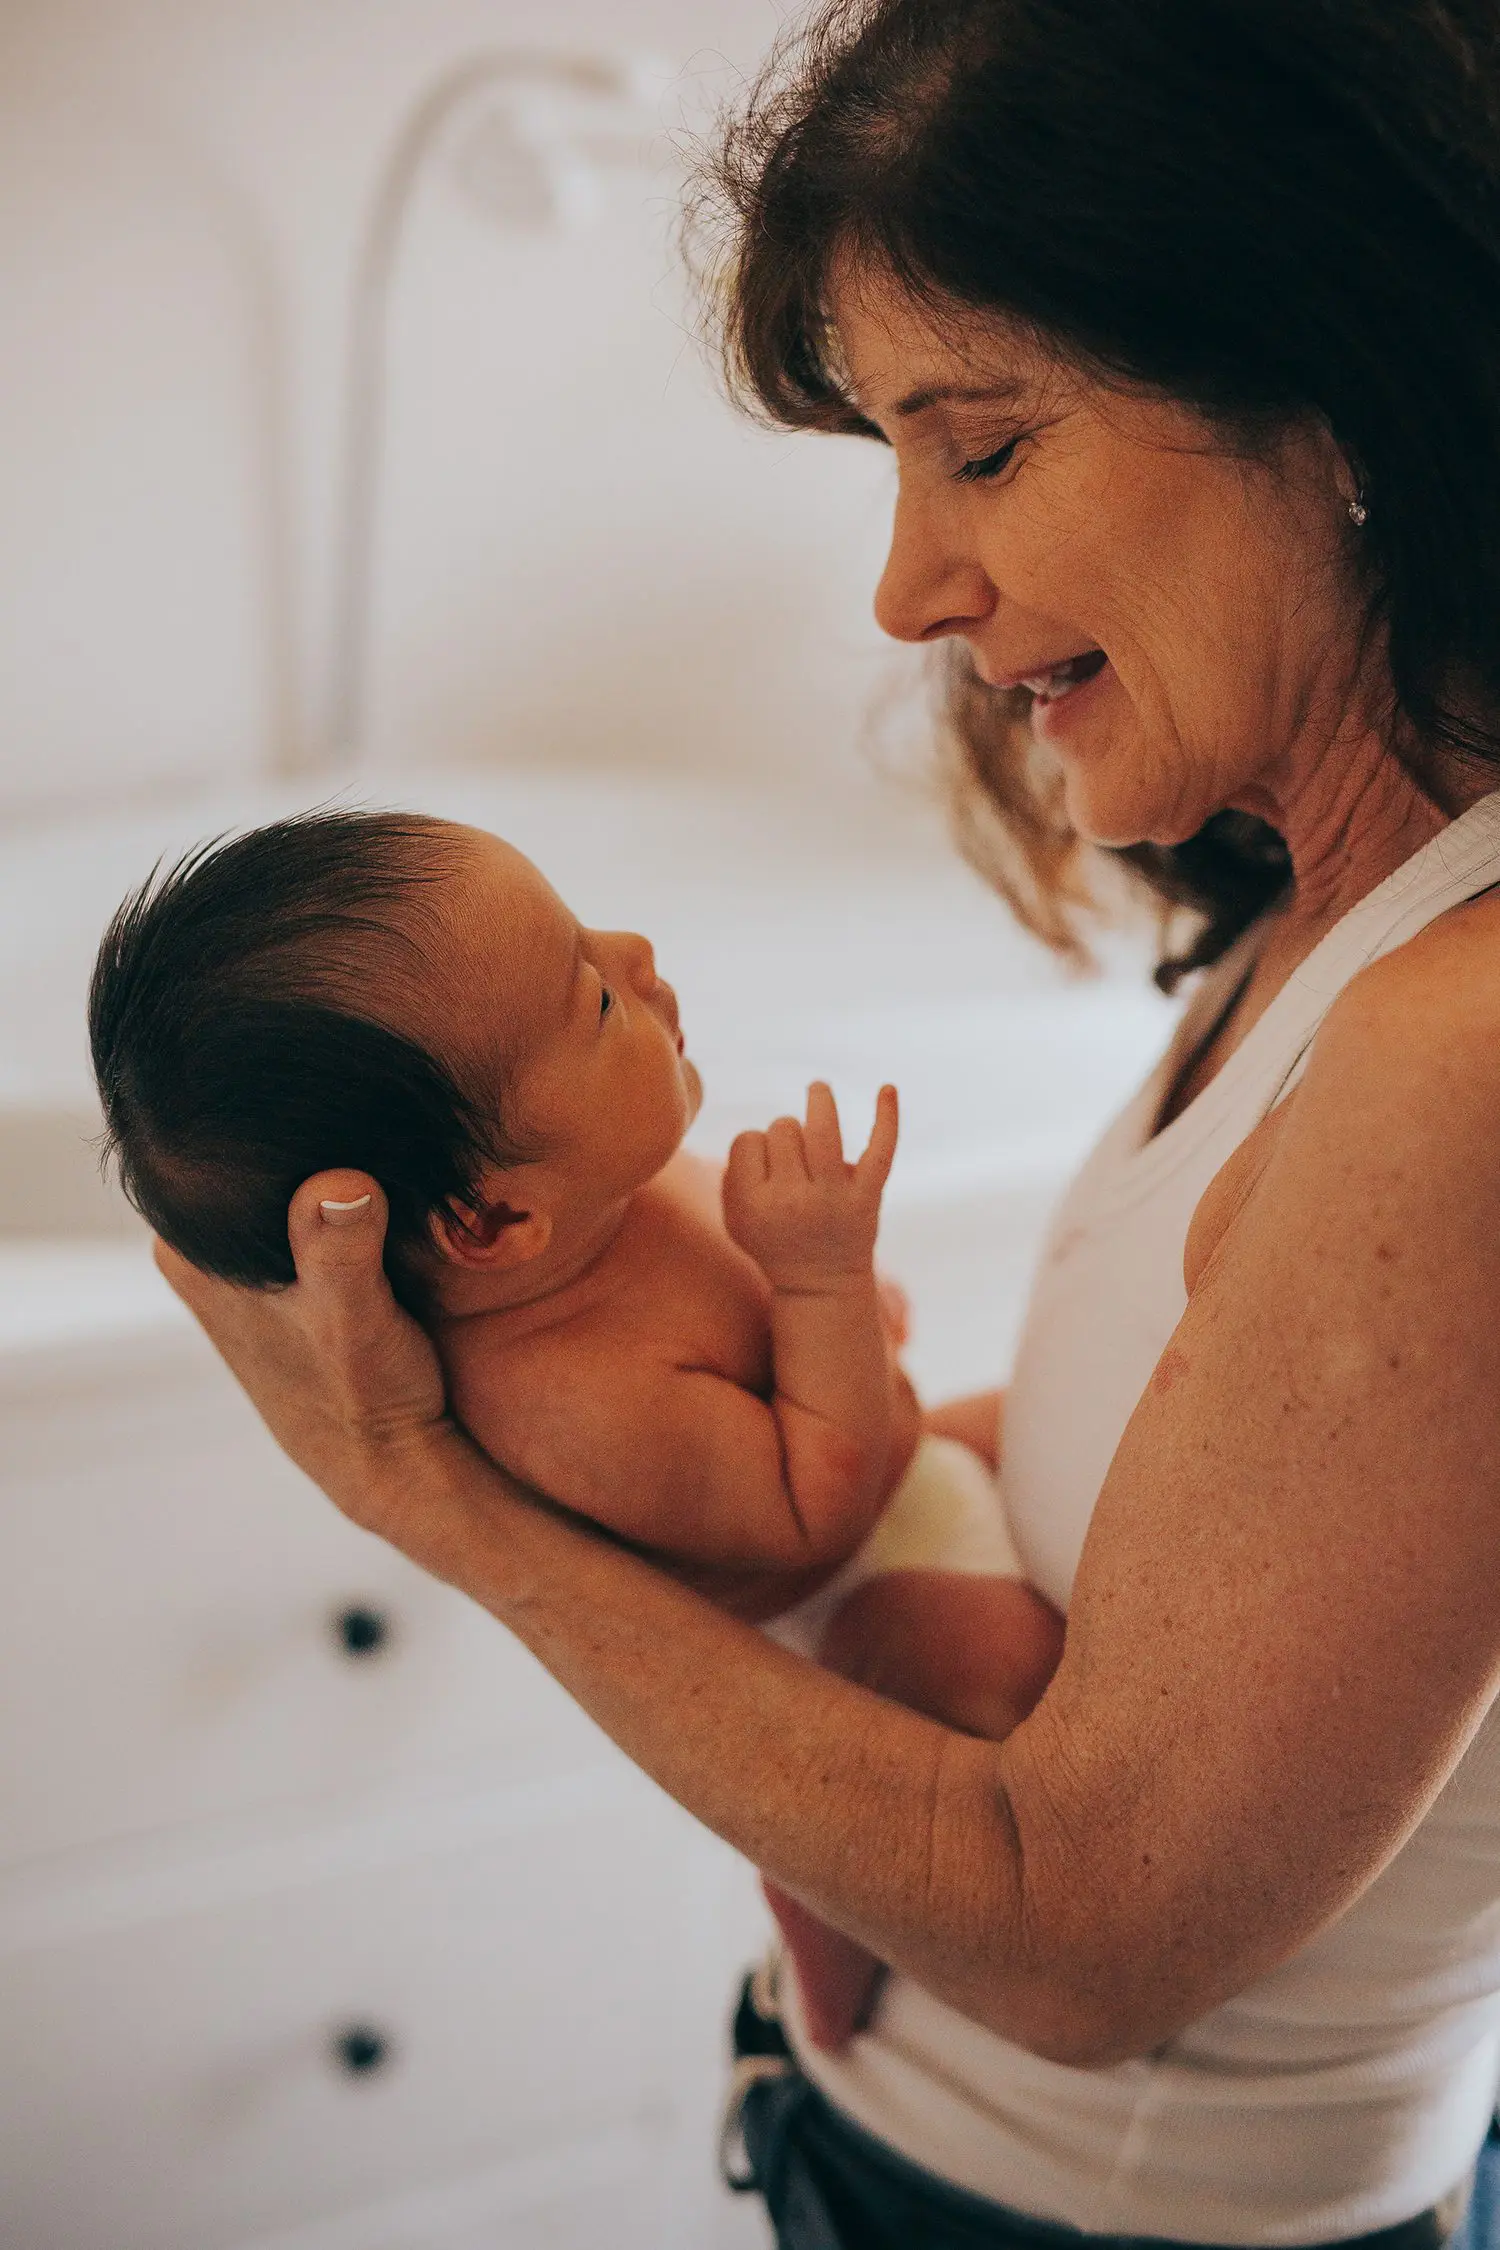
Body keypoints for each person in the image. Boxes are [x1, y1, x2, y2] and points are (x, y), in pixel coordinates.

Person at [153, 0, 1500, 2241]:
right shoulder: (1322, 923)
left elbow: (1081, 1938)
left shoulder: (1457, 1048)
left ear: (1331, 395)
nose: (904, 587)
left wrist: (437, 1499)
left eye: (980, 450)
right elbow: (1203, 1503)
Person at [88, 810, 1063, 2049]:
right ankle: (830, 1920)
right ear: (493, 1223)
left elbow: (746, 1319)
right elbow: (819, 1494)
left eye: (586, 929)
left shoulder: (594, 1190)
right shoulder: (571, 1395)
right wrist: (825, 1279)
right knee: (999, 1664)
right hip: (845, 1590)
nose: (636, 951)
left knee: (1077, 1426)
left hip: (897, 1463)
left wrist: (833, 1313)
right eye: (593, 1001)